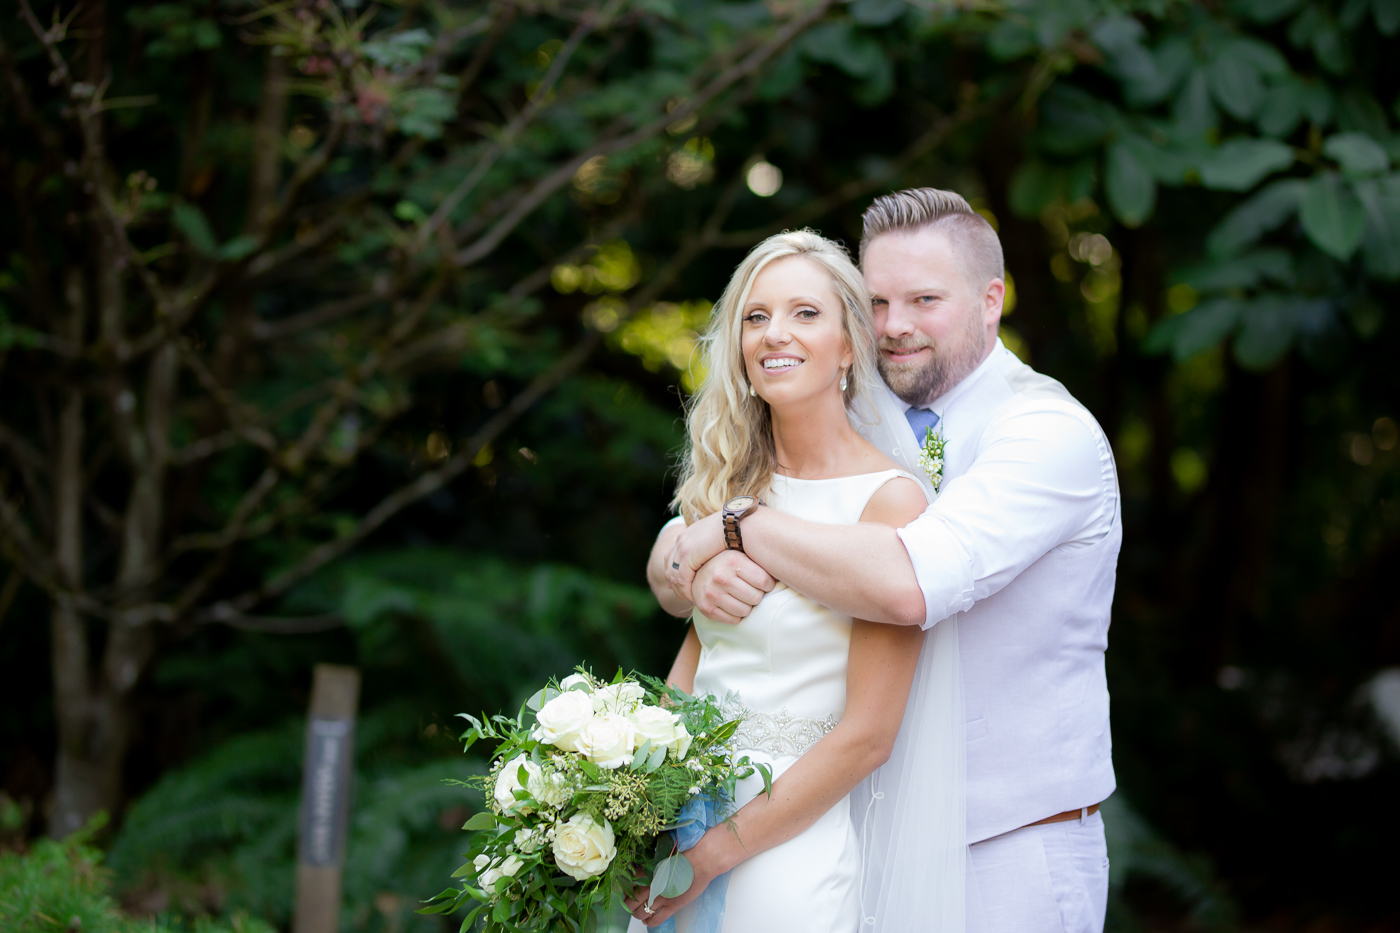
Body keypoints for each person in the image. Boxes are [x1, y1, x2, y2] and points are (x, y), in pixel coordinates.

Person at [654, 188, 1121, 933]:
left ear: (990, 299)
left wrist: (739, 528)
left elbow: (906, 583)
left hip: (1003, 845)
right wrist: (688, 564)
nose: (896, 325)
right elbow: (684, 546)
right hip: (855, 833)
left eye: (925, 299)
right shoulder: (857, 413)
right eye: (877, 302)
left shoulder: (1043, 432)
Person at [623, 229, 966, 932]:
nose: (775, 332)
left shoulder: (889, 501)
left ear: (849, 345)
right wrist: (636, 810)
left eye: (805, 313)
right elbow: (691, 671)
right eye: (756, 316)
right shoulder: (726, 487)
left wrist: (712, 855)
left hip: (787, 856)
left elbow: (869, 734)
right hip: (678, 834)